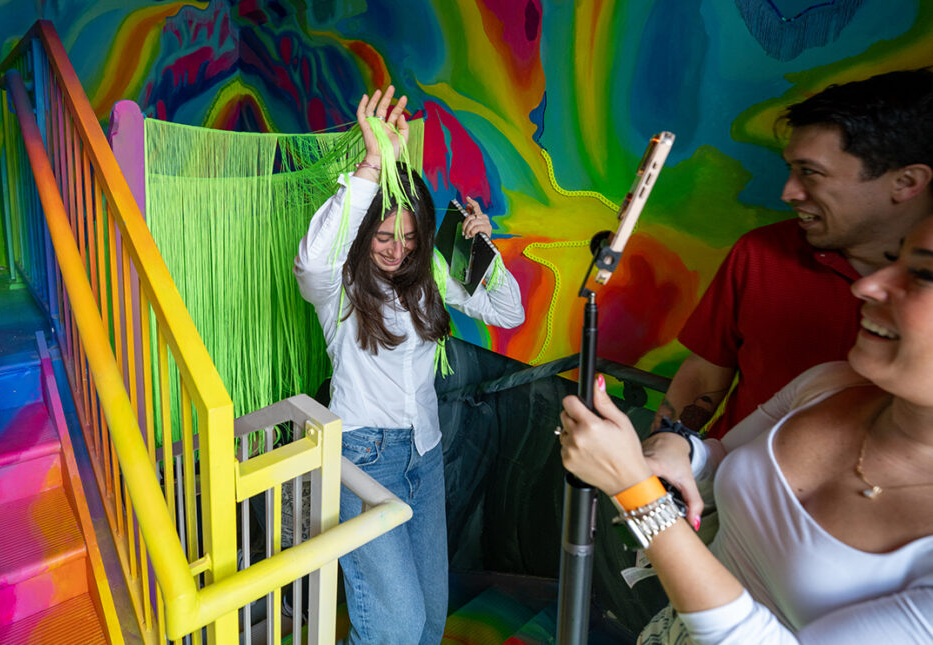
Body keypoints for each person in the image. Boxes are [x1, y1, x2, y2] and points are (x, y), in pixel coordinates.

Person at [559, 213, 933, 643]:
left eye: (922, 273)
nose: (867, 285)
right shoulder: (829, 383)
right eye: (894, 258)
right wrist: (672, 446)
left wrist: (634, 489)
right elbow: (722, 461)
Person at [293, 86, 525, 644]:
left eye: (408, 237)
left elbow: (508, 310)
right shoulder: (340, 289)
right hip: (363, 459)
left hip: (425, 453)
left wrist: (482, 251)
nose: (396, 250)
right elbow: (311, 261)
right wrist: (373, 164)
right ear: (363, 233)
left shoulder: (432, 280)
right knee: (392, 625)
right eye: (382, 236)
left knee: (428, 622)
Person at [655, 68, 933, 437]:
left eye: (810, 172)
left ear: (906, 182)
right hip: (721, 478)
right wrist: (660, 457)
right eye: (791, 169)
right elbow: (705, 371)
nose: (788, 193)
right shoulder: (760, 253)